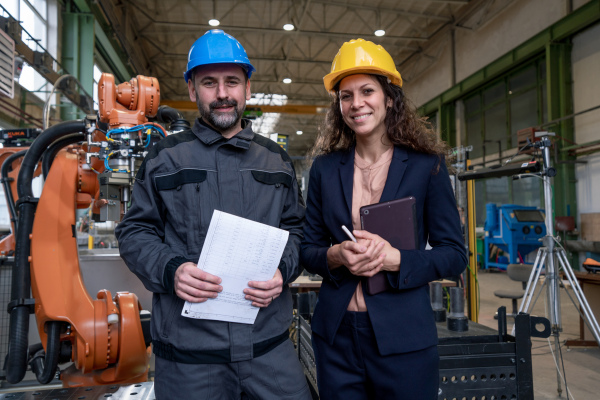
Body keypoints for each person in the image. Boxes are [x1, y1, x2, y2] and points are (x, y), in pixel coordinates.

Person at [115, 30, 311, 400]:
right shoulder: (165, 158)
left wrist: (282, 271)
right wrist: (172, 270)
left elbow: (297, 231)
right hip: (190, 362)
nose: (222, 93)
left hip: (268, 351)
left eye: (232, 82)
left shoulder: (276, 160)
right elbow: (135, 232)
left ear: (247, 88)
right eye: (209, 82)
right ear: (192, 90)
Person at [300, 38, 467, 399]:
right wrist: (337, 254)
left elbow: (454, 255)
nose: (356, 103)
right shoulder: (325, 170)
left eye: (367, 91)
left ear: (389, 98)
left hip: (404, 338)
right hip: (337, 337)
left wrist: (396, 259)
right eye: (346, 95)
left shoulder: (425, 167)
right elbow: (307, 248)